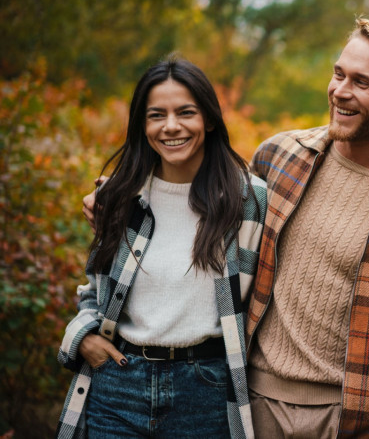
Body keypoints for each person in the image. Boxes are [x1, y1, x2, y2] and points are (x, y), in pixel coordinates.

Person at [83, 18, 369, 437]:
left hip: (350, 422)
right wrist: (121, 196)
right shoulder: (280, 158)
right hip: (251, 406)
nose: (340, 90)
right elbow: (200, 199)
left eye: (361, 82)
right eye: (338, 74)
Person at [58, 56, 266, 439]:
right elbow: (95, 291)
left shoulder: (247, 200)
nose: (171, 127)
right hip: (117, 385)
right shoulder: (121, 198)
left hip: (205, 391)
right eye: (157, 115)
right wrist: (83, 336)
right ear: (142, 124)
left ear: (209, 119)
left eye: (185, 112)